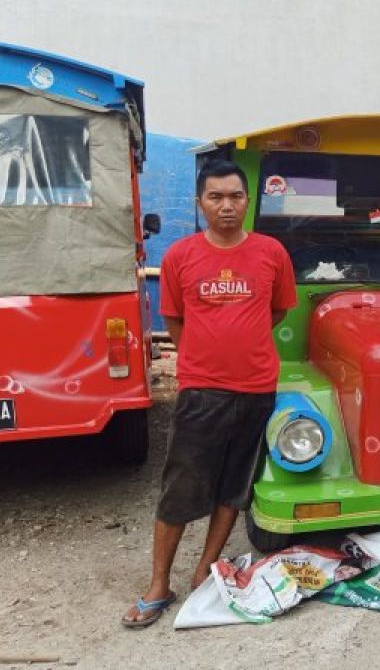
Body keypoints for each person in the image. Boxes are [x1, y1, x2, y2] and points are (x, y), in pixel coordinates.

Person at [122, 160, 296, 628]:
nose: (226, 205)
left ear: (247, 201)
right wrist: (204, 357)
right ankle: (159, 584)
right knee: (181, 486)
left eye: (234, 196)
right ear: (200, 204)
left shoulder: (271, 252)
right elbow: (175, 321)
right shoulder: (181, 255)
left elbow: (277, 311)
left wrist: (242, 345)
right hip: (202, 390)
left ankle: (206, 568)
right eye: (215, 197)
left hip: (258, 387)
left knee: (234, 486)